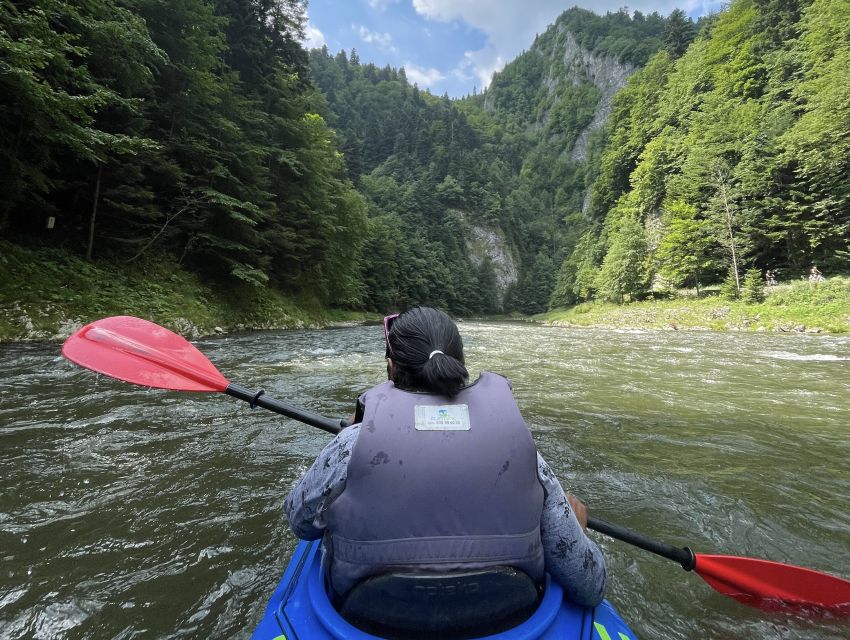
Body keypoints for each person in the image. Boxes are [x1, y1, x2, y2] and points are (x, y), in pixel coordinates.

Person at [284, 306, 607, 612]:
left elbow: (302, 524)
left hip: (371, 612)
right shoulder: (520, 446)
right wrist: (577, 531)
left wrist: (354, 438)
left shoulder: (351, 444)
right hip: (504, 611)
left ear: (392, 366)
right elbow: (589, 585)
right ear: (459, 363)